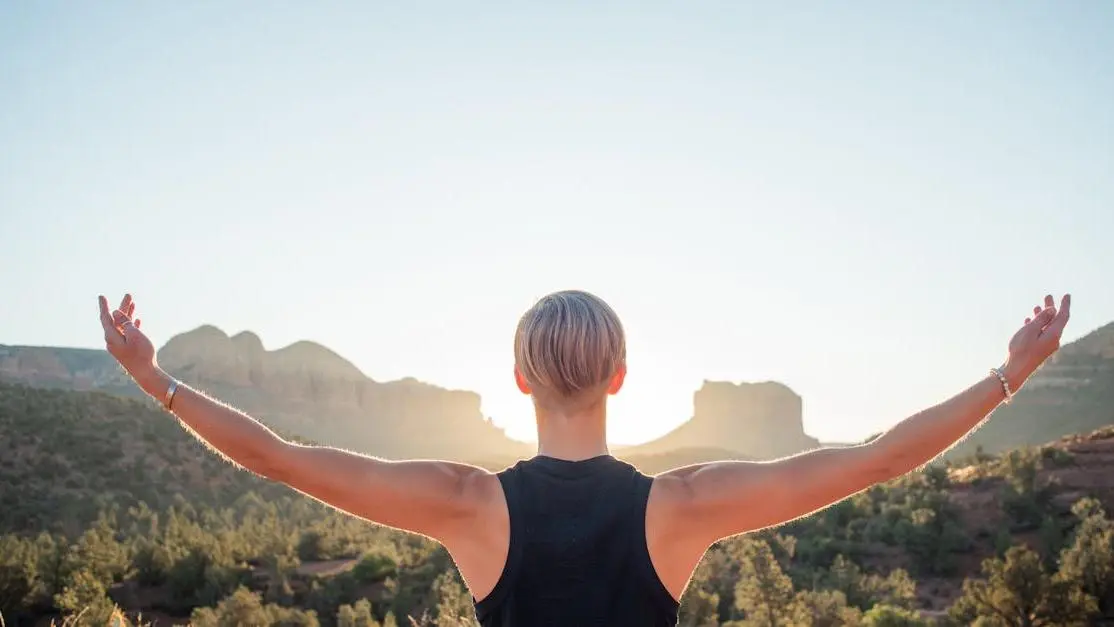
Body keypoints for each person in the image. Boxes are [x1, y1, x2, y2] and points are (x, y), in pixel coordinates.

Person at [98, 289, 1071, 626]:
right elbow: (871, 460)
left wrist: (160, 384)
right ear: (620, 377)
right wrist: (1007, 376)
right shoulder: (680, 508)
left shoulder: (466, 504)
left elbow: (282, 458)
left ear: (519, 383)